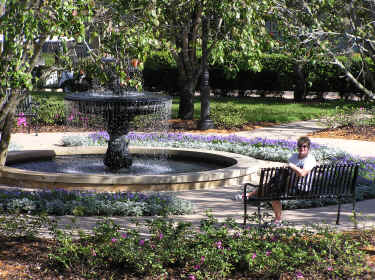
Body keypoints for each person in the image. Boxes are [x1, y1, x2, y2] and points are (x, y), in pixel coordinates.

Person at [238, 136, 317, 225]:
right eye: (300, 146)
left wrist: (292, 166)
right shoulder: (294, 157)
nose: (302, 148)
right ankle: (276, 219)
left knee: (273, 191)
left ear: (308, 147)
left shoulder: (310, 159)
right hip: (289, 185)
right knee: (273, 187)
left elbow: (302, 174)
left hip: (300, 188)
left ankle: (250, 195)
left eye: (304, 146)